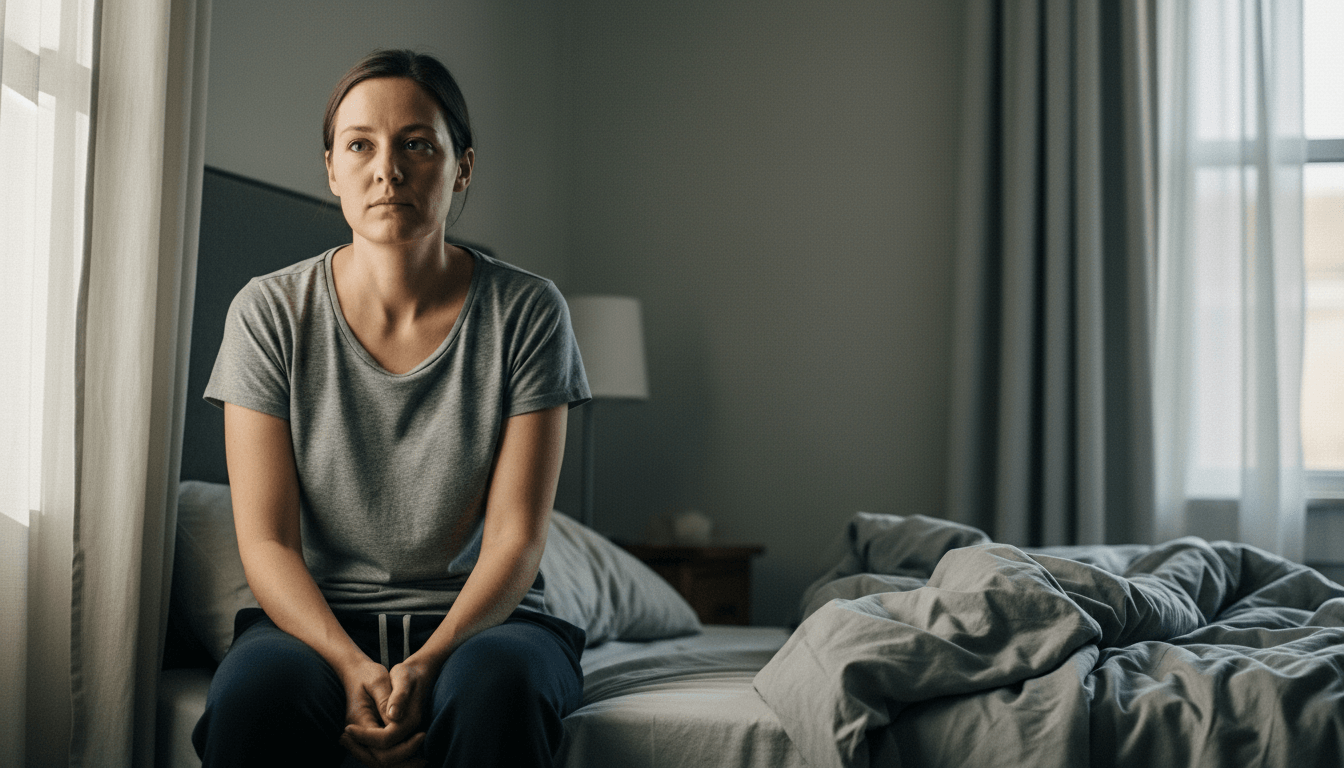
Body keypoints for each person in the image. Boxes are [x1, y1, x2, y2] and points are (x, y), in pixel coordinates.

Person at [192, 49, 591, 768]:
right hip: (316, 627)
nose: (388, 170)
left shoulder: (528, 311)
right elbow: (268, 544)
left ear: (461, 167)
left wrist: (429, 665)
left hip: (489, 627)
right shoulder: (269, 312)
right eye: (360, 145)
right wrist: (351, 669)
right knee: (253, 700)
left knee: (497, 691)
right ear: (331, 169)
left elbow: (514, 541)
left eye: (417, 144)